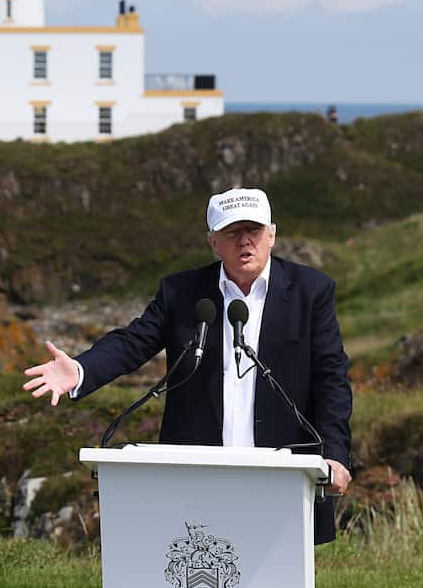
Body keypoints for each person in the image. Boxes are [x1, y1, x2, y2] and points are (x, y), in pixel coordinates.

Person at [23, 187, 353, 544]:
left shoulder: (311, 291)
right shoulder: (182, 292)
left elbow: (331, 377)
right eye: (232, 232)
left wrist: (334, 454)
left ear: (271, 235)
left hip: (282, 471)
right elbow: (134, 341)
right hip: (198, 472)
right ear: (214, 242)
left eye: (254, 231)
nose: (245, 241)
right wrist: (82, 370)